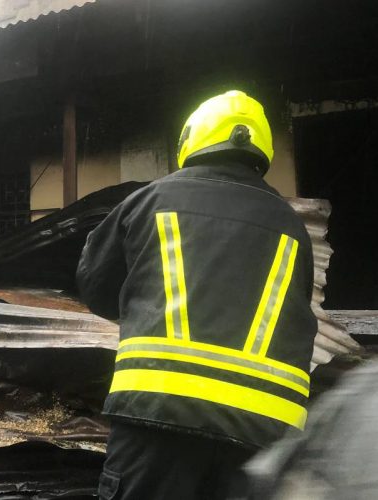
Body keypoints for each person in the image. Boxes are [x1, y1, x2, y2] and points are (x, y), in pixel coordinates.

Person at [76, 90, 318, 499]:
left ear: (193, 138)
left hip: (158, 412)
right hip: (263, 433)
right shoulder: (293, 227)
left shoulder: (151, 199)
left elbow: (94, 286)